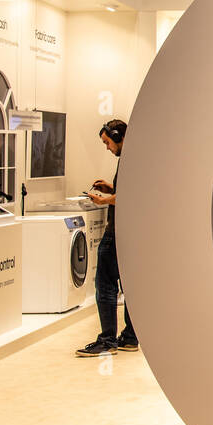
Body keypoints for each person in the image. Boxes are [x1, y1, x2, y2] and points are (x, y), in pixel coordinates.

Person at [75, 118, 138, 357]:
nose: (107, 147)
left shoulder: (130, 159)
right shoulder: (134, 158)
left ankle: (108, 339)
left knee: (105, 284)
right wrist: (112, 189)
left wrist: (105, 200)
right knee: (129, 286)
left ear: (117, 136)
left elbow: (133, 194)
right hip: (129, 233)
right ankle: (130, 337)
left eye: (107, 142)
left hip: (116, 233)